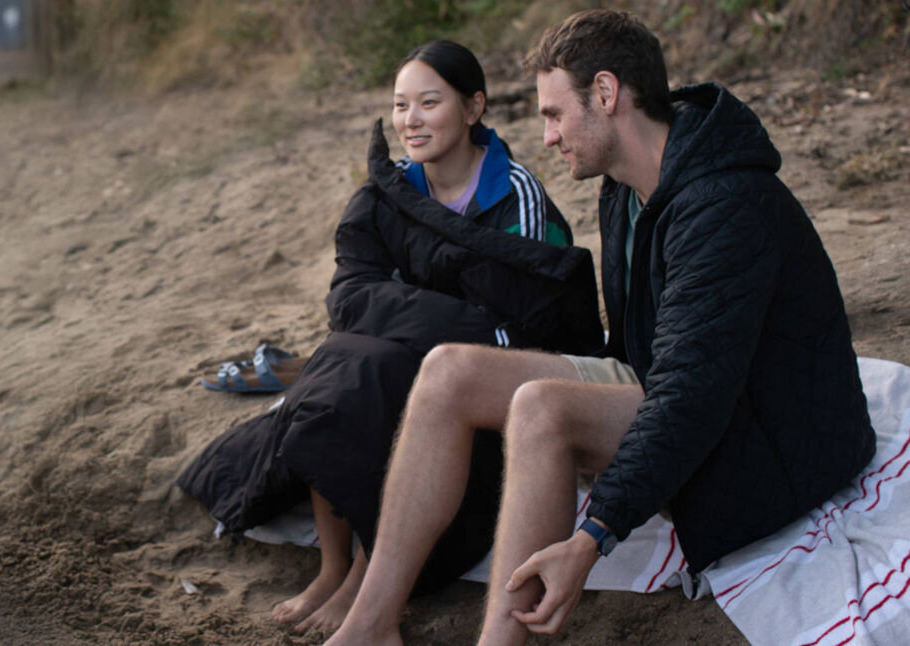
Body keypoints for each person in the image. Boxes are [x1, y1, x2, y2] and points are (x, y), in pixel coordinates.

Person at [327, 10, 876, 646]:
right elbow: (644, 355)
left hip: (760, 426)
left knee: (543, 407)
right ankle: (368, 625)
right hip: (668, 381)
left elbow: (692, 399)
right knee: (450, 368)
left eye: (555, 114)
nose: (548, 136)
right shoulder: (621, 187)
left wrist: (592, 536)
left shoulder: (725, 206)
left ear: (608, 94)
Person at [178, 41, 604, 636]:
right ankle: (333, 569)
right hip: (396, 360)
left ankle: (366, 578)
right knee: (344, 365)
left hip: (482, 389)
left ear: (474, 107)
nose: (410, 120)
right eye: (401, 105)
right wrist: (436, 320)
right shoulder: (386, 195)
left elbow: (519, 329)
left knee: (374, 367)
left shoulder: (515, 199)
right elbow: (349, 297)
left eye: (430, 102)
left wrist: (406, 319)